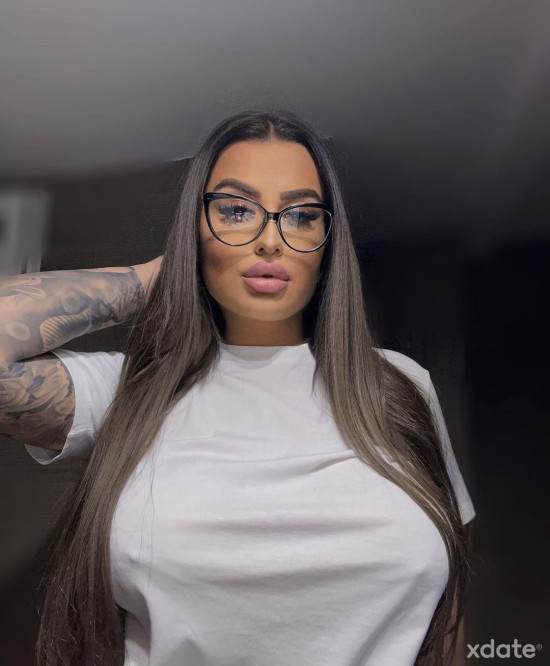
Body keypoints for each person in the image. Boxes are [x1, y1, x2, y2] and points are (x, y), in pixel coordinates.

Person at [0, 108, 475, 666]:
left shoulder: (398, 385)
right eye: (235, 210)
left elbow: (448, 615)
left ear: (327, 243)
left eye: (301, 215)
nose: (270, 240)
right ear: (196, 227)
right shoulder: (129, 391)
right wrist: (168, 273)